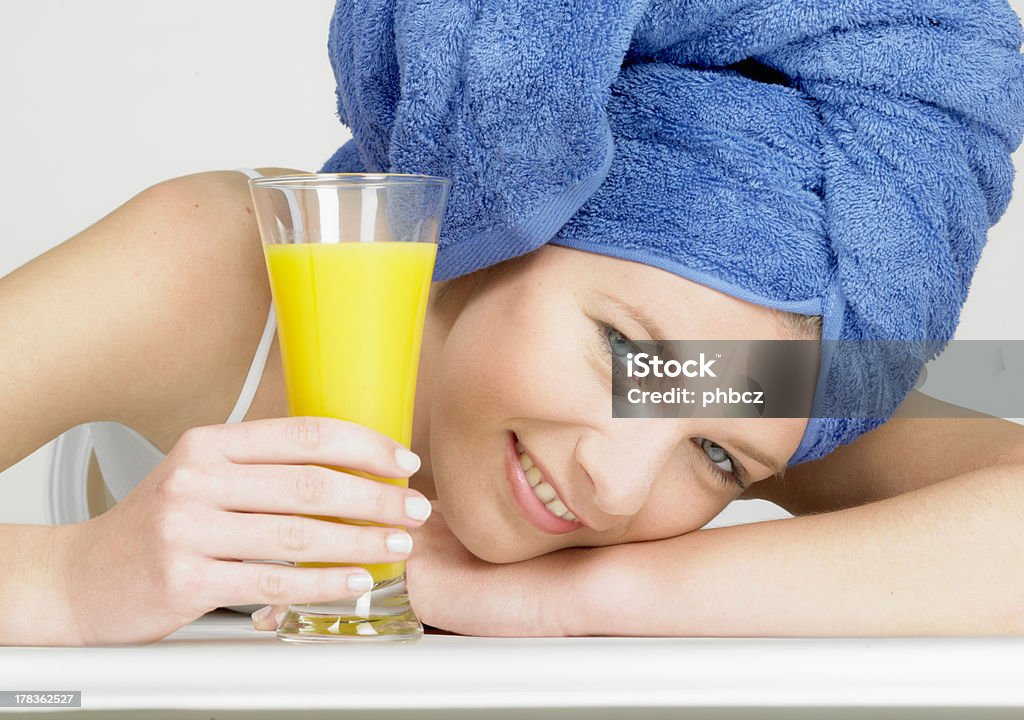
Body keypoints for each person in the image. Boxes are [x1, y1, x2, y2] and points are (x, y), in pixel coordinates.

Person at [1, 165, 1022, 645]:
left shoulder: (725, 367)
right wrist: (76, 579)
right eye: (623, 350)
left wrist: (563, 602)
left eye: (717, 458)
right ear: (508, 219)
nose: (615, 486)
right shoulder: (225, 273)